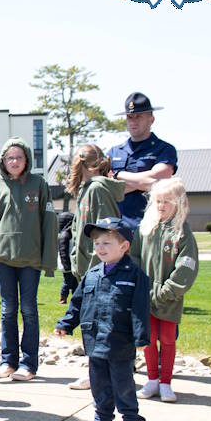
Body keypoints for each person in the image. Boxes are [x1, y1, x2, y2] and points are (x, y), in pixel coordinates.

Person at [55, 218, 150, 421]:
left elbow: (140, 310)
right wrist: (66, 323)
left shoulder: (135, 276)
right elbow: (77, 303)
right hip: (94, 340)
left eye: (106, 243)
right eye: (97, 243)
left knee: (122, 383)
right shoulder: (92, 274)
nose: (100, 248)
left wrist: (141, 338)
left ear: (124, 246)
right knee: (99, 384)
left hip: (120, 341)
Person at [0, 137, 57, 382]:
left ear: (27, 160)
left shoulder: (39, 184)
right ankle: (8, 361)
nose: (14, 161)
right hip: (3, 256)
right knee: (7, 310)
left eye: (19, 157)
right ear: (3, 160)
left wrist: (48, 259)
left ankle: (29, 364)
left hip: (31, 259)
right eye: (10, 157)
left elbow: (49, 222)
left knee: (29, 310)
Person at [133, 178, 199, 403]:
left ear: (179, 203)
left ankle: (166, 382)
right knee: (148, 338)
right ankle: (152, 379)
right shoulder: (145, 229)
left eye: (167, 202)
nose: (161, 206)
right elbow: (133, 257)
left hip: (169, 298)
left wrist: (166, 291)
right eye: (158, 201)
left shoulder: (182, 233)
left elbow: (186, 266)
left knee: (168, 339)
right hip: (144, 296)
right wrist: (139, 287)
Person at [107, 92, 177, 229]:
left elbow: (157, 183)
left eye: (139, 116)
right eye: (130, 117)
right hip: (117, 230)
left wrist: (117, 176)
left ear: (151, 119)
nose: (133, 121)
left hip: (151, 227)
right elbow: (107, 189)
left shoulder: (164, 149)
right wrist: (143, 181)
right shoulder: (114, 152)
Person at [65, 144, 125, 281]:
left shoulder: (98, 190)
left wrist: (96, 271)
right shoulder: (86, 190)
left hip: (98, 274)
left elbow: (106, 234)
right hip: (87, 272)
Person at [57, 212, 77, 304]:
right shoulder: (65, 235)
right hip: (67, 264)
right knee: (67, 282)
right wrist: (67, 265)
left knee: (74, 283)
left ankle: (75, 297)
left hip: (70, 263)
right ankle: (63, 298)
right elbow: (63, 251)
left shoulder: (68, 233)